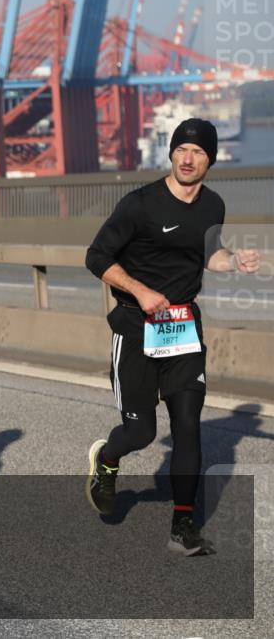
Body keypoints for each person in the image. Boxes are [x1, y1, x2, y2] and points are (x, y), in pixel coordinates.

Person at [84, 118, 260, 556]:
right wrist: (141, 291)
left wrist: (235, 259)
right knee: (142, 433)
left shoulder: (212, 206)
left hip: (182, 327)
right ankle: (107, 460)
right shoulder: (140, 205)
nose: (188, 158)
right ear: (171, 153)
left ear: (210, 160)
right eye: (182, 149)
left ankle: (183, 527)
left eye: (198, 152)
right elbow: (96, 256)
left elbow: (208, 254)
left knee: (187, 424)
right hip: (135, 326)